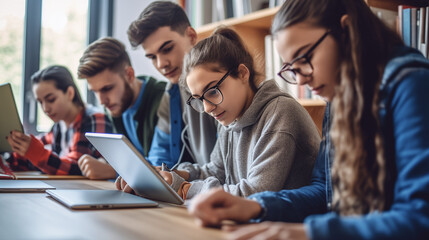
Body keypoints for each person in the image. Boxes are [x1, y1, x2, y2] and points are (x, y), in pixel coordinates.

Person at [188, 0, 429, 239]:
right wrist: (259, 206)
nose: (301, 80)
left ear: (346, 32)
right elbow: (324, 192)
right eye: (292, 68)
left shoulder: (411, 84)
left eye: (304, 58)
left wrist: (309, 232)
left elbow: (419, 218)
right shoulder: (340, 100)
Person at [154, 27, 321, 200]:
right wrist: (176, 175)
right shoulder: (231, 116)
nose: (207, 108)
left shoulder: (281, 113)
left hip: (289, 224)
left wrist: (185, 189)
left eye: (212, 91)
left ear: (242, 73)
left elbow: (255, 193)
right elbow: (216, 171)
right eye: (198, 99)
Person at [116, 1, 218, 191]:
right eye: (152, 57)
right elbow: (160, 155)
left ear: (191, 36)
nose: (161, 64)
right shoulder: (170, 94)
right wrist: (148, 175)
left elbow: (226, 170)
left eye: (167, 49)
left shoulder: (222, 88)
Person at [77, 37, 166, 179]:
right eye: (95, 91)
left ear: (129, 75)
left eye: (107, 88)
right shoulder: (114, 106)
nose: (101, 101)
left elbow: (164, 167)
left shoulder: (163, 99)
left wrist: (113, 172)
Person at [5, 65, 113, 175]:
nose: (45, 109)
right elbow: (35, 148)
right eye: (40, 102)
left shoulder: (94, 119)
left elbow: (77, 168)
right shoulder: (59, 126)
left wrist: (34, 152)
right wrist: (11, 154)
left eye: (51, 99)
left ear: (70, 93)